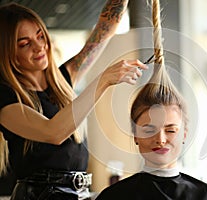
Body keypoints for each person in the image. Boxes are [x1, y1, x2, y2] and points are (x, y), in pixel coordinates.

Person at [0, 0, 148, 199]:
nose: (39, 47)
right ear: (8, 53)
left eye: (40, 36)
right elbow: (53, 132)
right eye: (25, 44)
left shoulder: (63, 80)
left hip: (78, 193)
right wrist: (102, 81)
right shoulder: (6, 98)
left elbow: (105, 30)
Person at [96, 0, 207, 199]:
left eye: (171, 130)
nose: (161, 139)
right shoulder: (114, 197)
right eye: (149, 130)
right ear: (135, 136)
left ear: (184, 134)